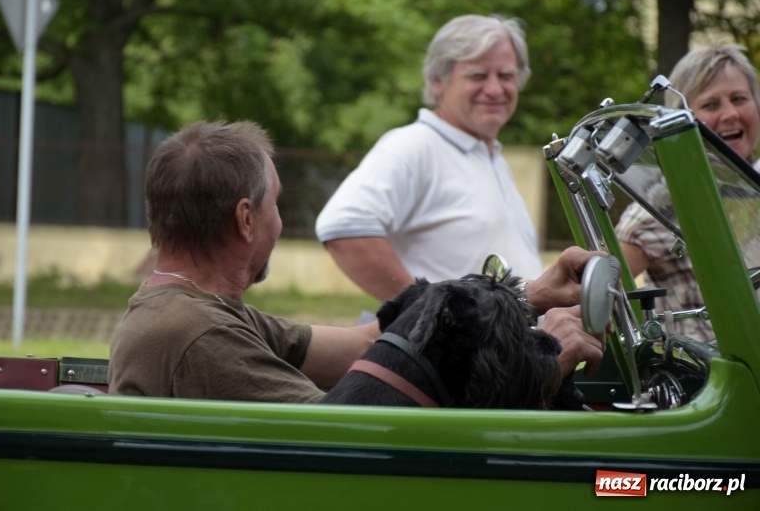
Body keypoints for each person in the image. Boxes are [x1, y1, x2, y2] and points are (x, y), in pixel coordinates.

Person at [108, 120, 606, 403]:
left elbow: (362, 347)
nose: (277, 222)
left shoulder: (197, 309)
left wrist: (528, 297)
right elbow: (348, 433)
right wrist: (545, 360)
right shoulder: (196, 334)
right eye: (274, 204)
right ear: (245, 219)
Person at [315, 14, 543, 302]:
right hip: (451, 348)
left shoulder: (490, 155)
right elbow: (343, 227)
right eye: (478, 75)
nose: (496, 89)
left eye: (506, 76)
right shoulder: (414, 146)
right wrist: (423, 311)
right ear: (438, 81)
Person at [616, 44, 760, 342]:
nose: (731, 113)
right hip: (705, 381)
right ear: (680, 121)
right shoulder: (665, 203)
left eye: (739, 99)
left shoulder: (752, 186)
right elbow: (598, 292)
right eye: (711, 105)